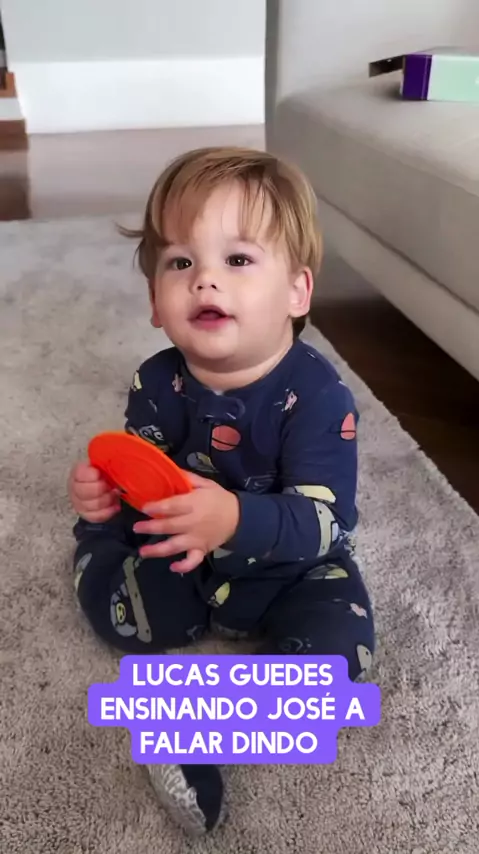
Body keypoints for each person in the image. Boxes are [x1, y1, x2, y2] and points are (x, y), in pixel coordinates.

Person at [68, 146, 375, 837]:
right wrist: (102, 494)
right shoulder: (157, 381)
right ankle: (106, 564)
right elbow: (141, 470)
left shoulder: (320, 398)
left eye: (237, 259)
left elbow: (327, 522)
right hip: (179, 547)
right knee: (121, 610)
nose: (205, 278)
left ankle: (194, 729)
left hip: (291, 565)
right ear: (155, 300)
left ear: (297, 292)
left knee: (341, 659)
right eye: (180, 262)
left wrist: (235, 518)